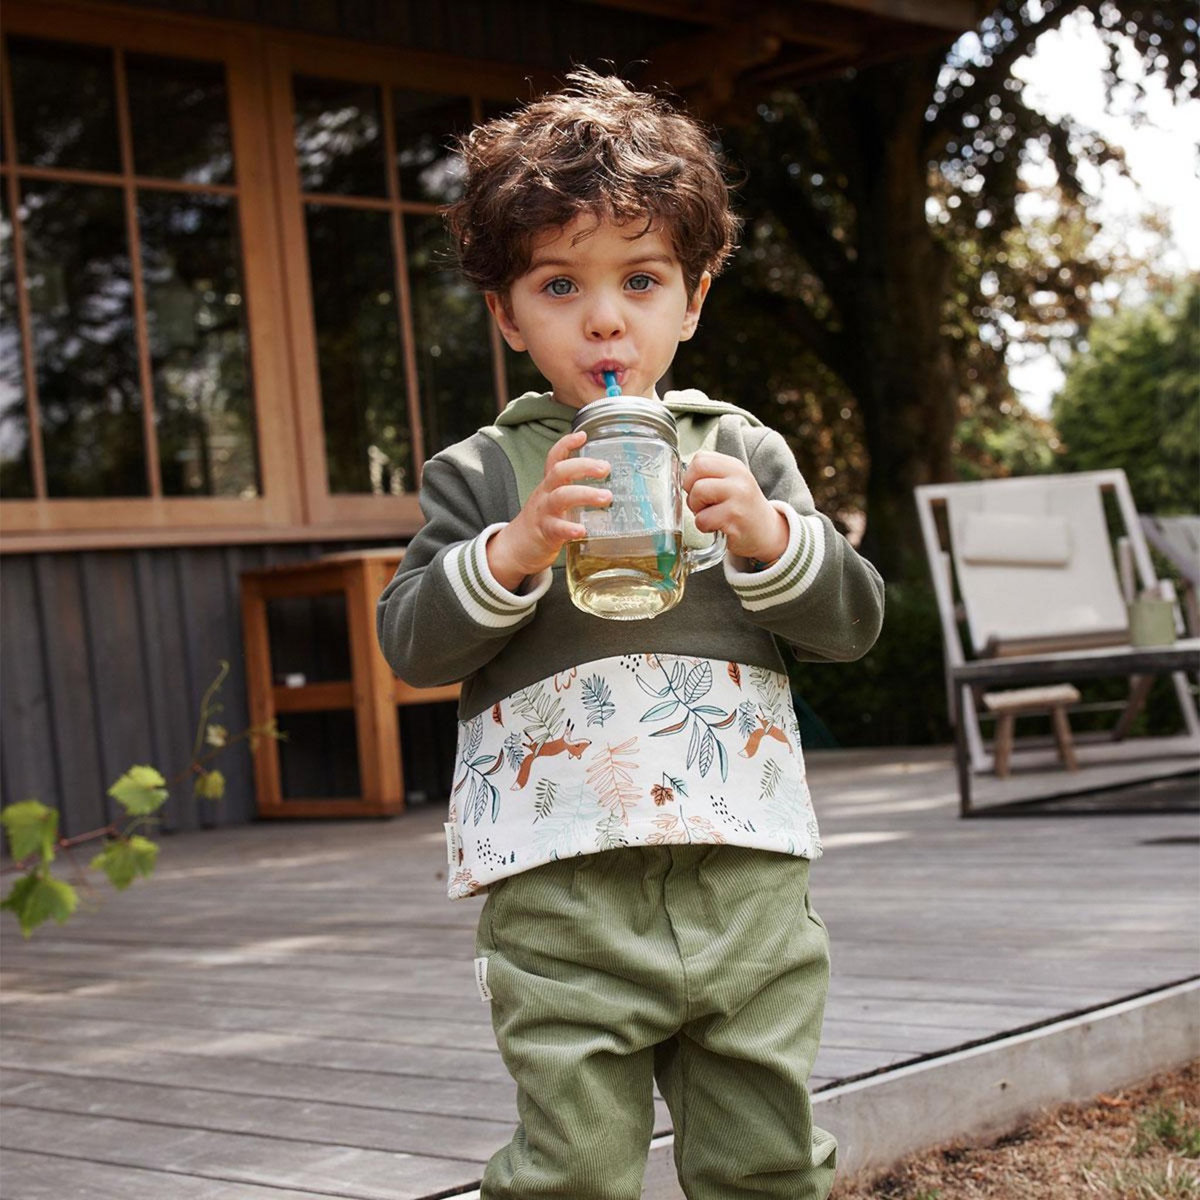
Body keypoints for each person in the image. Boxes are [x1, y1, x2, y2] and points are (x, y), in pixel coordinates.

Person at [377, 68, 884, 1200]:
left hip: (743, 875)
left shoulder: (740, 453)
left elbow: (852, 624)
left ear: (692, 301)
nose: (605, 317)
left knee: (766, 1159)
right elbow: (411, 644)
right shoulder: (482, 474)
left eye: (640, 279)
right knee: (572, 1169)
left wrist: (768, 538)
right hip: (564, 893)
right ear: (508, 314)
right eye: (561, 284)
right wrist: (512, 551)